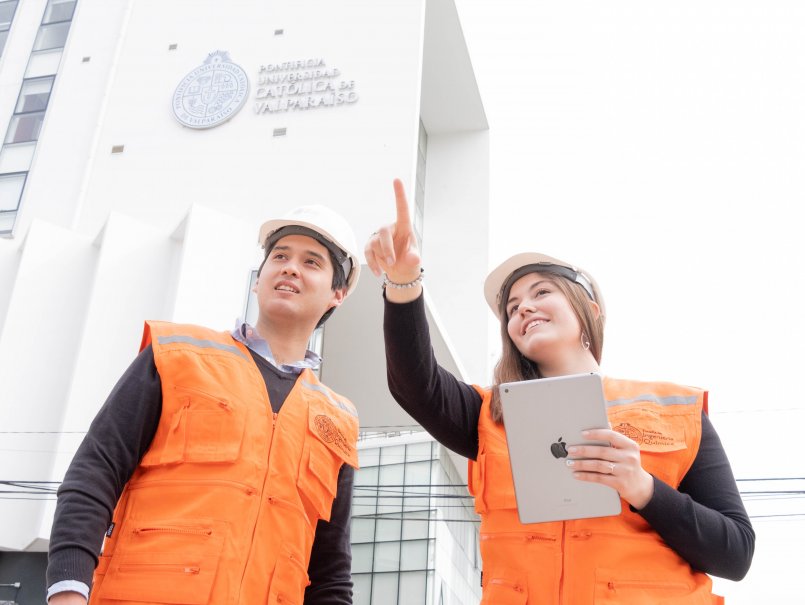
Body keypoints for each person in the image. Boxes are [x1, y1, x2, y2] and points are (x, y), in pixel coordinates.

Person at [365, 180, 754, 604]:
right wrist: (404, 284)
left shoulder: (677, 409)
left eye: (541, 292)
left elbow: (735, 554)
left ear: (590, 310)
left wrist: (641, 487)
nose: (524, 308)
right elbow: (414, 384)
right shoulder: (489, 414)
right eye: (512, 309)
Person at [47, 206, 362, 605]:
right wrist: (68, 590)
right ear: (258, 279)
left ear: (338, 293)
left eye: (311, 261)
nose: (290, 268)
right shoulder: (177, 355)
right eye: (279, 256)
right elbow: (95, 471)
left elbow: (330, 571)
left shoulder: (336, 422)